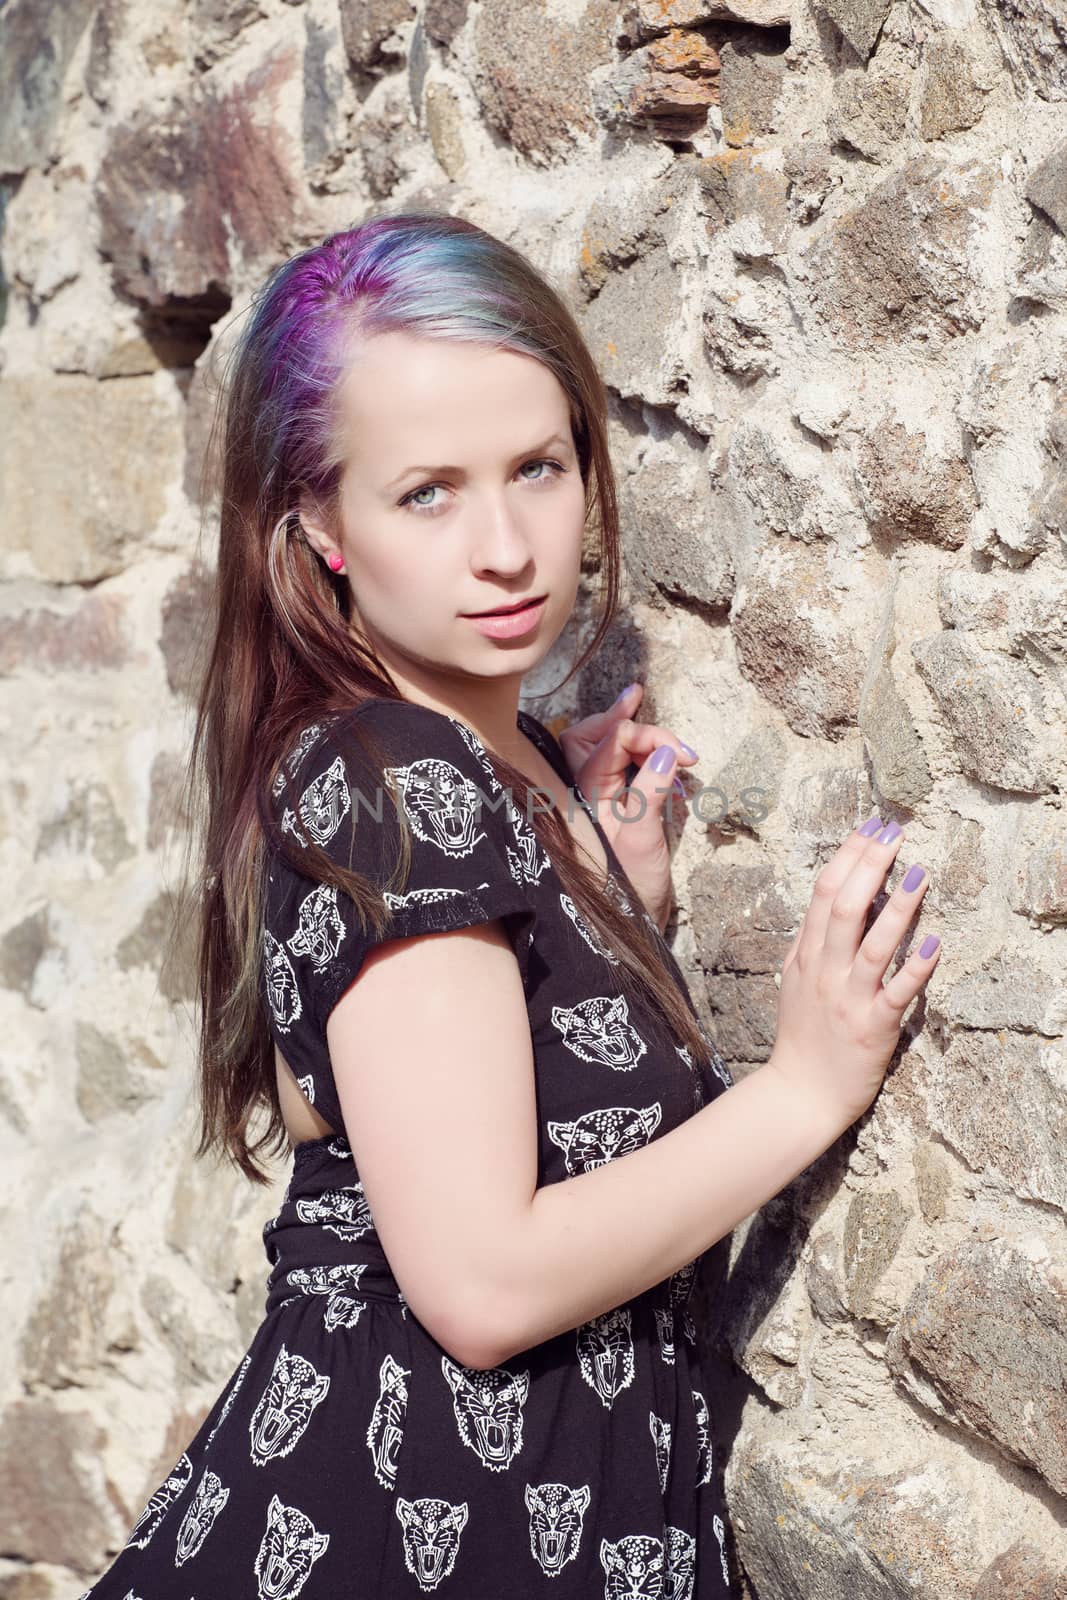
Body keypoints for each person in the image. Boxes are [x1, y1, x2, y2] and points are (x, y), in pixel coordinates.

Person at [78, 209, 941, 1598]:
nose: (507, 547)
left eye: (538, 468)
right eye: (427, 492)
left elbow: (343, 1101)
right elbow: (478, 1290)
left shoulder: (474, 756)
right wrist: (804, 1088)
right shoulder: (393, 775)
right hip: (418, 1526)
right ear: (319, 526)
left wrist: (589, 888)